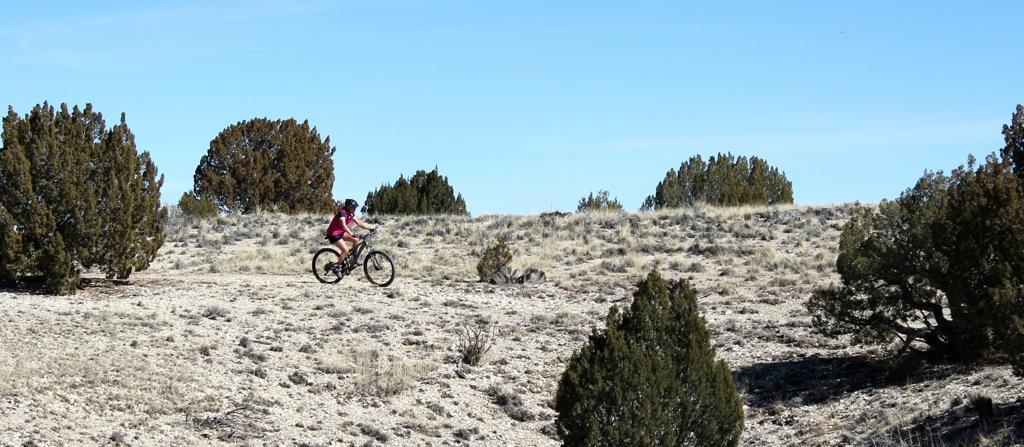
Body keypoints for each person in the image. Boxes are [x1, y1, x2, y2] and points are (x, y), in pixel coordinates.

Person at [325, 199, 376, 266]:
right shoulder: (342, 212)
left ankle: (353, 258)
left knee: (356, 240)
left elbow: (359, 223)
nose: (355, 209)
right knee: (345, 250)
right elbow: (343, 226)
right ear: (349, 207)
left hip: (340, 232)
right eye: (354, 207)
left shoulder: (351, 213)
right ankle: (337, 267)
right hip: (333, 233)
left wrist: (369, 228)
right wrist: (351, 234)